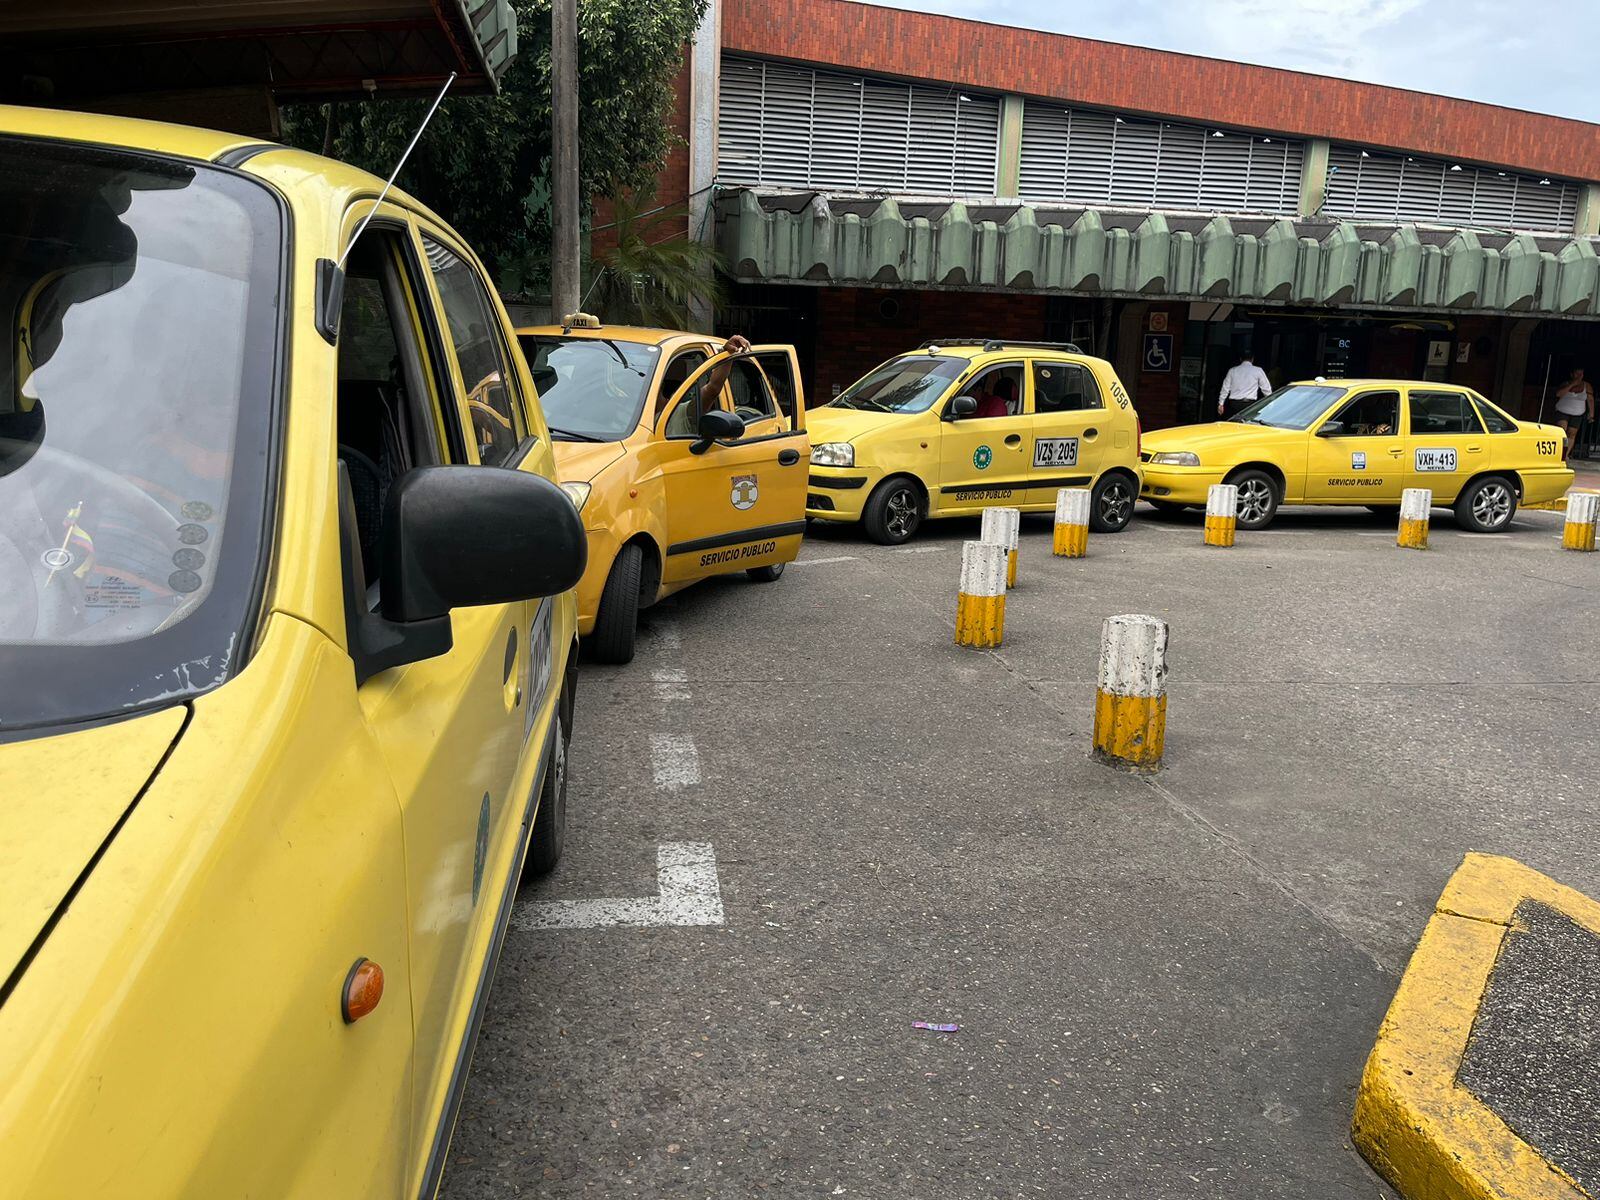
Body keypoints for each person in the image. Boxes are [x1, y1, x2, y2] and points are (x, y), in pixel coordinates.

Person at [1553, 367, 1594, 460]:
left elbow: (1590, 399)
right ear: (1572, 374)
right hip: (1563, 411)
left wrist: (1591, 414)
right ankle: (1557, 452)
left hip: (1577, 413)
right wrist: (1572, 384)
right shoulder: (1565, 383)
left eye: (1581, 374)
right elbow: (1558, 394)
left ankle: (1565, 455)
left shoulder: (1586, 385)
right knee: (1562, 430)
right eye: (1577, 373)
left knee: (1572, 434)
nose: (1579, 376)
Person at [1218, 352, 1271, 419]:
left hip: (1234, 405)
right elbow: (1266, 389)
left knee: (1234, 423)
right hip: (1250, 405)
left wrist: (1221, 403)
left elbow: (1225, 388)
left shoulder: (1232, 371)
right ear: (1252, 359)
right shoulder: (1258, 370)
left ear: (1240, 359)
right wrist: (1270, 402)